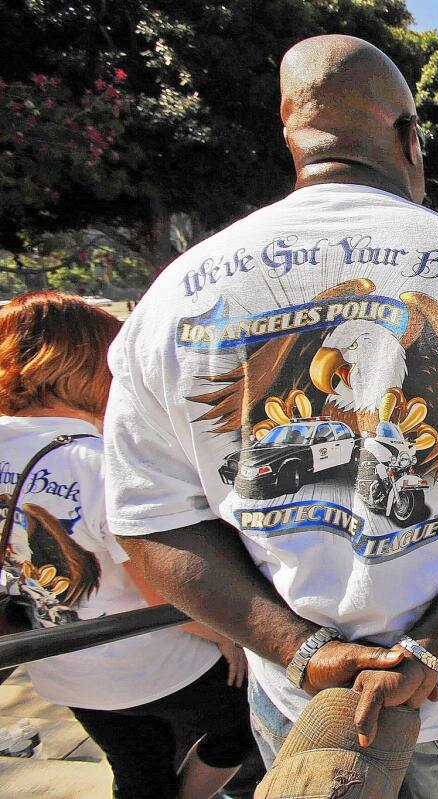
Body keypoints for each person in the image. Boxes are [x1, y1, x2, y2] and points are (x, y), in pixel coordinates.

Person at [102, 35, 438, 798]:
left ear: (290, 137)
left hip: (306, 698)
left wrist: (300, 651)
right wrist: (425, 653)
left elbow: (148, 524)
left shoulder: (172, 298)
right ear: (410, 140)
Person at [0, 292, 254, 799]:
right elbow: (168, 592)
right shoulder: (99, 462)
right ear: (88, 365)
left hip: (61, 669)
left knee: (138, 775)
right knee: (243, 726)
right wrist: (230, 635)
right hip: (154, 670)